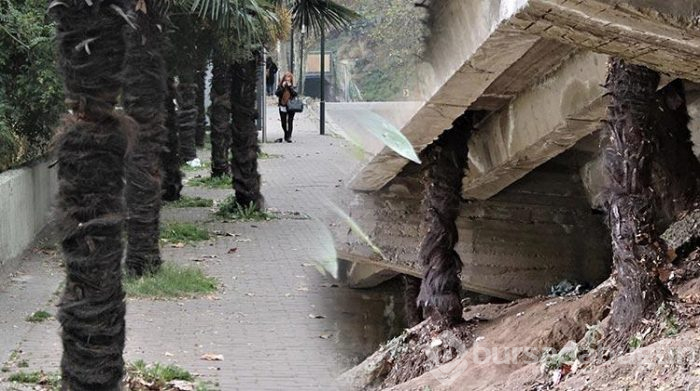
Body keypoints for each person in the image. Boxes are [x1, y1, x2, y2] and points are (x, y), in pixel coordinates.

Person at [275, 72, 298, 143]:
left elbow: (295, 94)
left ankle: (288, 137)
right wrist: (282, 87)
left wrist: (290, 87)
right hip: (283, 105)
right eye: (286, 77)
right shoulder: (281, 85)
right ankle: (286, 133)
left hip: (291, 106)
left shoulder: (293, 86)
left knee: (290, 121)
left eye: (289, 77)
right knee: (283, 122)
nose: (287, 79)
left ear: (291, 79)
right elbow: (277, 93)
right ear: (284, 78)